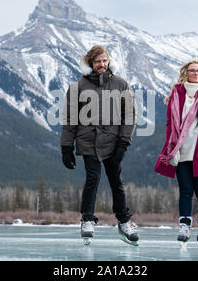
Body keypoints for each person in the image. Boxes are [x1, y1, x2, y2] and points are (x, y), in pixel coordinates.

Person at [60, 45, 139, 245]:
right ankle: (87, 219)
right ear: (90, 64)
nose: (102, 64)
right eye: (97, 62)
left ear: (109, 61)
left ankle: (124, 222)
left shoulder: (121, 84)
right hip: (88, 140)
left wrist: (123, 142)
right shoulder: (78, 86)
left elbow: (129, 116)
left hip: (113, 142)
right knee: (92, 178)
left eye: (104, 60)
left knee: (116, 182)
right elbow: (70, 118)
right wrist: (66, 147)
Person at [154, 59, 198, 243]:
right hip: (181, 150)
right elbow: (170, 125)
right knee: (185, 190)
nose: (196, 73)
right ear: (186, 73)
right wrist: (171, 149)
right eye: (192, 70)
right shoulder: (176, 94)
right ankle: (184, 227)